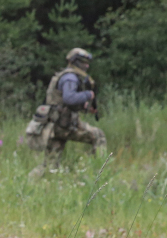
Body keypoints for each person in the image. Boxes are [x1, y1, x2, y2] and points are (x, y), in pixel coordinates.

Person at [23, 48, 107, 177]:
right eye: (84, 62)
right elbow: (69, 98)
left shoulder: (65, 76)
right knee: (98, 135)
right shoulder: (70, 78)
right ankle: (99, 173)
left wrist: (84, 107)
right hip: (63, 125)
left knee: (50, 164)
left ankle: (30, 182)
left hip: (55, 125)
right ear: (76, 62)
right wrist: (88, 94)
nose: (87, 66)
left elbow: (64, 102)